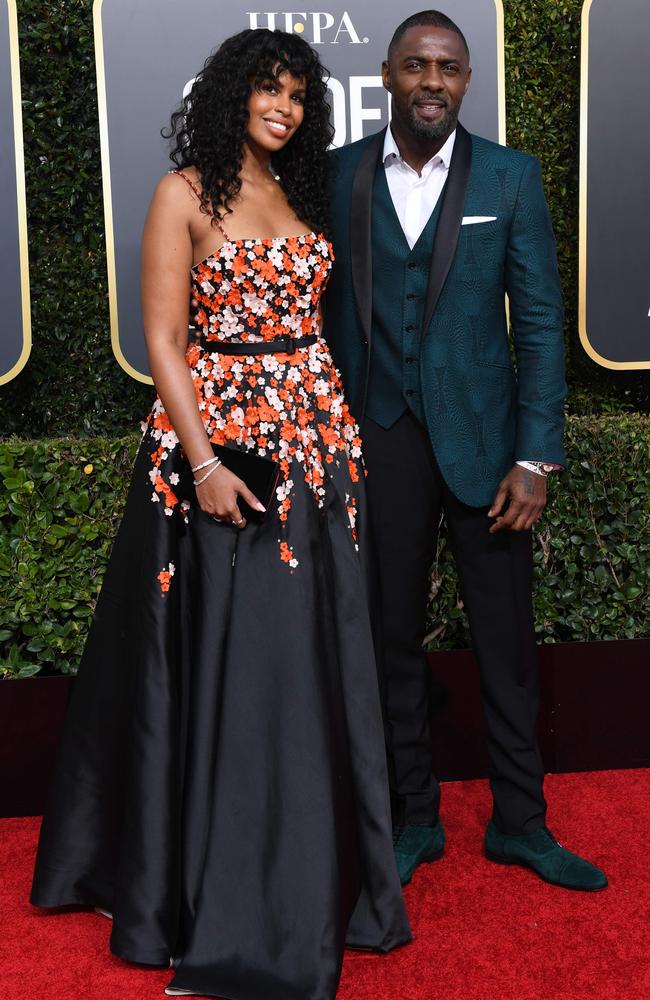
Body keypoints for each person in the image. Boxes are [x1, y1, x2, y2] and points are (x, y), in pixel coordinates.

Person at [30, 28, 411, 999]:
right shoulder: (182, 192)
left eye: (295, 95)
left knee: (304, 667)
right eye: (265, 90)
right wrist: (201, 460)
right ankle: (218, 900)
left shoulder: (299, 194)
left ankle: (309, 878)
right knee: (234, 672)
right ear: (231, 94)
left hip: (317, 461)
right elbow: (161, 339)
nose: (281, 107)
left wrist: (330, 436)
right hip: (220, 461)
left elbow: (311, 332)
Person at [324, 10, 608, 892]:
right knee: (390, 640)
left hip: (488, 450)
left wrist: (537, 456)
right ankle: (415, 818)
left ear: (468, 79)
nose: (432, 82)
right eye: (416, 66)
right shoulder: (335, 178)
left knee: (504, 641)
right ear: (386, 75)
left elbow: (543, 327)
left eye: (448, 67)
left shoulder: (512, 179)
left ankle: (521, 822)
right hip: (381, 441)